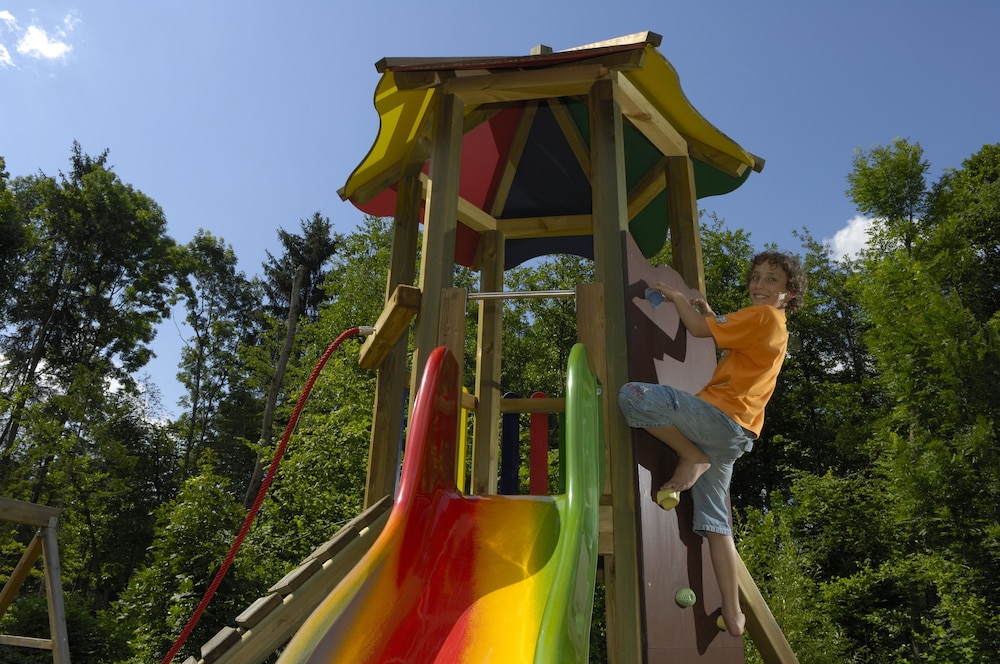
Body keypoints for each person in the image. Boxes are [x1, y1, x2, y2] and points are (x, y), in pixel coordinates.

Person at [618, 250, 806, 637]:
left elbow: (699, 330)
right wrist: (709, 313)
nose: (759, 285)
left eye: (772, 280)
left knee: (633, 395)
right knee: (718, 525)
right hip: (737, 435)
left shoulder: (762, 316)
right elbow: (722, 334)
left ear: (789, 293)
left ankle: (691, 454)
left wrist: (676, 297)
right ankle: (734, 614)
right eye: (756, 276)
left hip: (718, 420)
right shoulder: (776, 326)